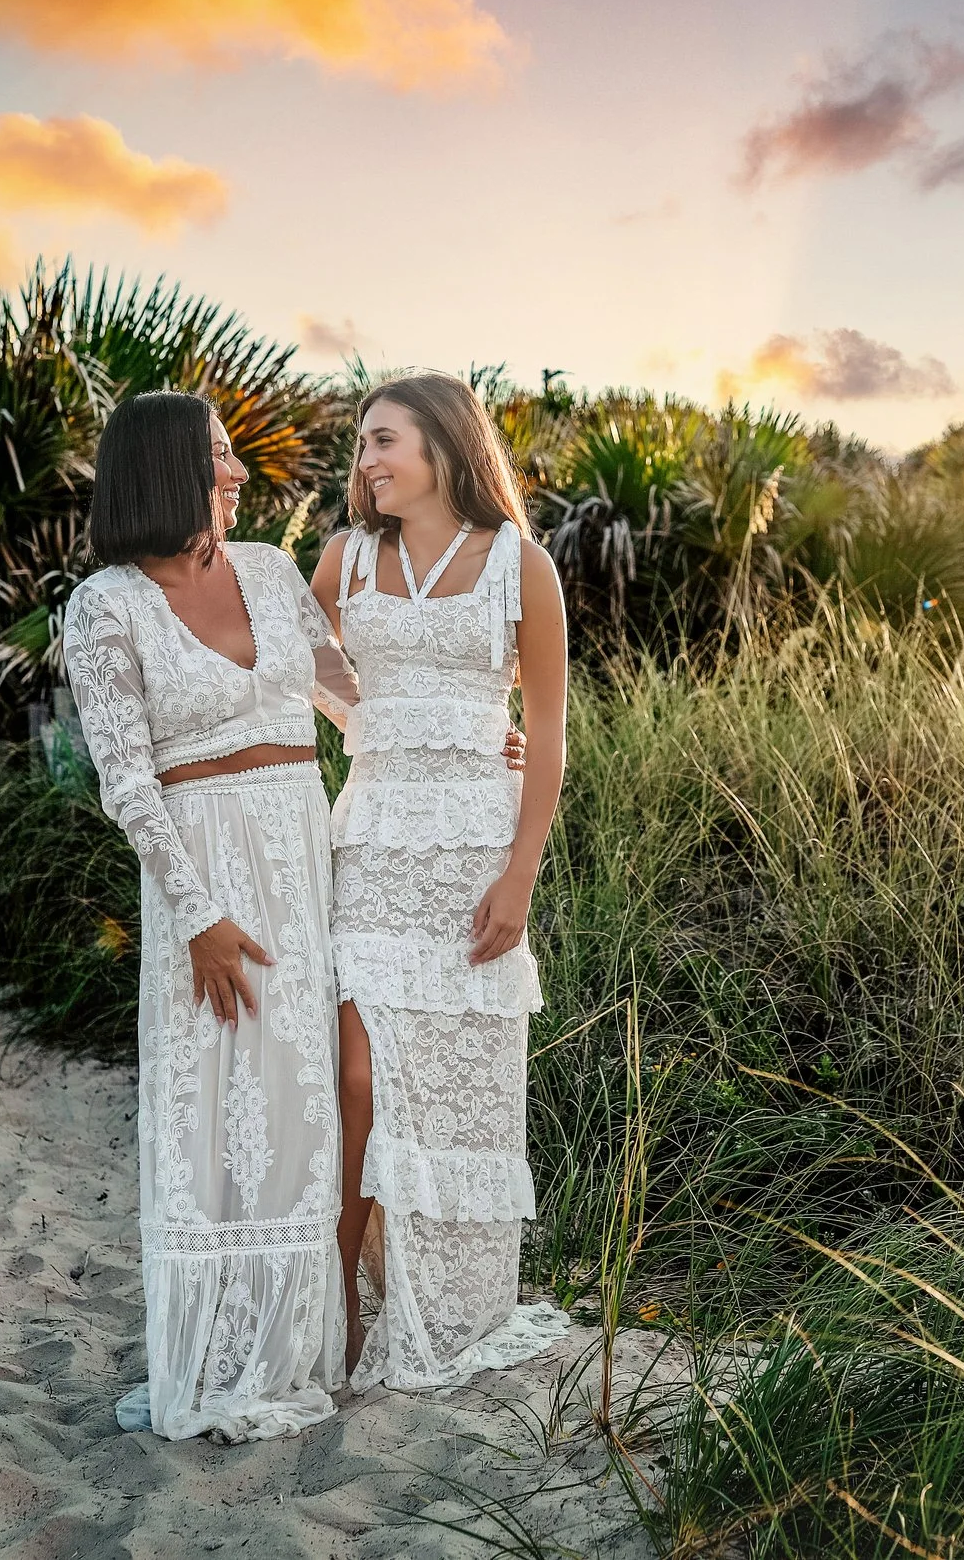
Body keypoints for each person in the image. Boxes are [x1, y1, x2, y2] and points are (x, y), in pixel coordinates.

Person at [62, 390, 361, 1441]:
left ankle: (292, 1346)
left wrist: (464, 738)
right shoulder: (105, 604)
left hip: (300, 850)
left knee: (296, 1103)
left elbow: (347, 697)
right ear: (167, 472)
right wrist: (195, 914)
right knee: (218, 1110)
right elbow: (128, 781)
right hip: (202, 872)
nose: (239, 476)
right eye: (222, 458)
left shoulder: (275, 574)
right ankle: (222, 1354)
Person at [310, 371, 572, 1389]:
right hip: (369, 843)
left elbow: (547, 734)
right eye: (363, 444)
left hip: (472, 853)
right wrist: (371, 717)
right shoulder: (346, 558)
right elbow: (299, 656)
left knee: (443, 1095)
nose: (366, 461)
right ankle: (334, 1294)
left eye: (383, 440)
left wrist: (521, 875)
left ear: (445, 448)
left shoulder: (523, 566)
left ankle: (439, 1299)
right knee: (356, 1080)